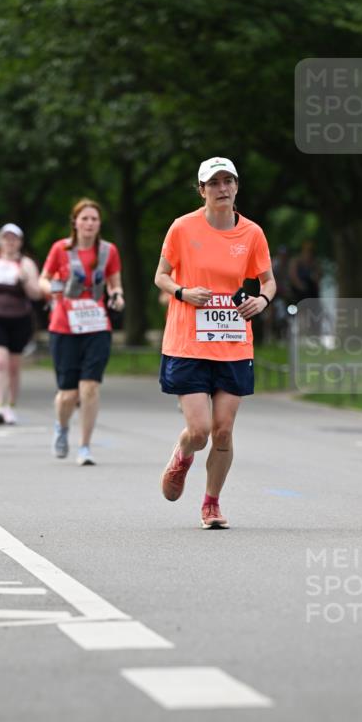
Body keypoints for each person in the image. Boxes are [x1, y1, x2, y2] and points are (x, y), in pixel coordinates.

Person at [154, 157, 275, 529]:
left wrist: (263, 300)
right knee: (201, 431)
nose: (222, 188)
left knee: (223, 430)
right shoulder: (182, 228)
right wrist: (183, 292)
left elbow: (268, 281)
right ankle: (183, 453)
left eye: (229, 181)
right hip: (187, 343)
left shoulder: (252, 233)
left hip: (233, 343)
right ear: (202, 189)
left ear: (237, 187)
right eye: (215, 183)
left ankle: (211, 503)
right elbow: (160, 276)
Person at [39, 198, 124, 465]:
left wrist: (117, 296)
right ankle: (62, 427)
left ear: (99, 224)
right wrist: (50, 289)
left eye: (94, 219)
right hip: (64, 326)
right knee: (68, 394)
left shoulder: (108, 251)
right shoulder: (60, 249)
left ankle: (85, 446)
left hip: (97, 325)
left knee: (89, 388)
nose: (89, 223)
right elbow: (43, 277)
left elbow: (114, 282)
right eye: (84, 218)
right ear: (75, 222)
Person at [0, 223, 41, 424]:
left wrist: (25, 280)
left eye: (14, 239)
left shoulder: (26, 264)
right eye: (6, 239)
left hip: (19, 319)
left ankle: (11, 404)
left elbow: (36, 294)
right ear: (0, 241)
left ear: (19, 242)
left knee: (13, 365)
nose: (10, 243)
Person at [288, 239, 320, 304]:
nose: (309, 253)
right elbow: (293, 276)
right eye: (307, 250)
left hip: (311, 291)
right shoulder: (296, 261)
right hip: (298, 291)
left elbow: (318, 276)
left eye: (311, 251)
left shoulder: (314, 263)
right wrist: (300, 286)